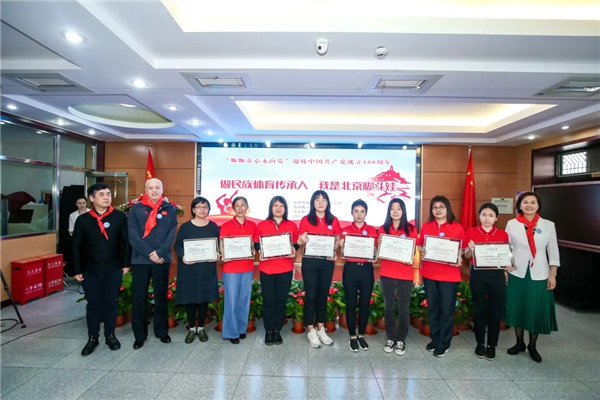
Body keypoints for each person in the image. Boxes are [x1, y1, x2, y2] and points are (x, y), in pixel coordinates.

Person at [72, 183, 129, 356]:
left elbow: (125, 242)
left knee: (111, 302)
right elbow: (76, 246)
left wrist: (126, 264)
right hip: (90, 269)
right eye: (102, 194)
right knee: (93, 304)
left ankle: (110, 335)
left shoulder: (119, 217)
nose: (106, 197)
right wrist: (77, 269)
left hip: (113, 267)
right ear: (92, 198)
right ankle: (92, 337)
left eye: (108, 194)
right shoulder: (83, 220)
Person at [505, 191, 559, 363]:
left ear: (538, 205)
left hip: (540, 273)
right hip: (517, 271)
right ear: (520, 205)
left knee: (535, 309)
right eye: (525, 202)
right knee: (518, 308)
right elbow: (507, 247)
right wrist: (505, 268)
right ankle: (519, 342)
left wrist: (553, 274)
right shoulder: (512, 224)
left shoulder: (548, 225)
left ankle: (532, 345)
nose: (529, 205)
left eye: (533, 202)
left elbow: (553, 251)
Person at [128, 178, 177, 350]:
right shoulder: (136, 209)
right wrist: (150, 254)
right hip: (141, 260)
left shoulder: (169, 208)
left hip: (161, 259)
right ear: (146, 190)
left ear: (162, 189)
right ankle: (139, 336)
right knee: (139, 297)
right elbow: (133, 235)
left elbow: (171, 233)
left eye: (157, 187)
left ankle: (162, 332)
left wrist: (160, 253)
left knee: (161, 296)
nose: (154, 190)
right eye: (151, 188)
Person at [417, 195, 465, 358]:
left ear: (447, 209)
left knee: (446, 309)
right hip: (429, 273)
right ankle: (435, 338)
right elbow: (420, 245)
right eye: (434, 207)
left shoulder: (457, 227)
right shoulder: (426, 226)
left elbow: (462, 249)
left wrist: (459, 256)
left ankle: (444, 342)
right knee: (433, 308)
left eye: (441, 207)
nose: (438, 210)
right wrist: (422, 250)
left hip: (449, 276)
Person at [463, 203, 509, 361]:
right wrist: (470, 249)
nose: (486, 218)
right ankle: (480, 343)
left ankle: (492, 345)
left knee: (496, 312)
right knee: (479, 310)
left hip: (497, 275)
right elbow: (467, 256)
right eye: (483, 215)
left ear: (496, 218)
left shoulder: (502, 234)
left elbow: (505, 257)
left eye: (490, 215)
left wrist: (506, 271)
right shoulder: (471, 232)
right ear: (479, 216)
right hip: (478, 275)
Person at [297, 190, 342, 348]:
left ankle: (321, 328)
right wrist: (301, 240)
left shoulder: (333, 220)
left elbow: (337, 240)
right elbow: (300, 240)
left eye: (323, 199)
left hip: (326, 263)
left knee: (323, 295)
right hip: (309, 262)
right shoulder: (306, 219)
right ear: (313, 203)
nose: (321, 202)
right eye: (317, 199)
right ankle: (310, 329)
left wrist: (334, 250)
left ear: (328, 202)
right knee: (311, 295)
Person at [173, 197, 220, 343]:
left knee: (204, 299)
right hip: (189, 268)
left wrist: (216, 254)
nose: (202, 210)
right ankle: (192, 328)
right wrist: (184, 255)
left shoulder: (213, 227)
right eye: (199, 207)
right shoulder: (185, 227)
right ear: (193, 209)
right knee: (190, 299)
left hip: (206, 269)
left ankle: (201, 327)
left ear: (208, 209)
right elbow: (177, 246)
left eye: (205, 207)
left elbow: (218, 246)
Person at [254, 196, 298, 345]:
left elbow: (295, 244)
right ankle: (268, 330)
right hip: (267, 269)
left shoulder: (291, 225)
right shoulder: (261, 225)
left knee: (281, 301)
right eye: (275, 205)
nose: (278, 208)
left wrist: (294, 249)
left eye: (281, 205)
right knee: (268, 301)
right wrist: (261, 250)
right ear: (271, 208)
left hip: (285, 269)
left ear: (285, 208)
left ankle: (277, 330)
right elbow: (256, 244)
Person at [377, 198, 418, 356]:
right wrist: (380, 245)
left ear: (403, 211)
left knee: (403, 309)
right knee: (388, 307)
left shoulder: (411, 229)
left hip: (405, 274)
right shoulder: (383, 229)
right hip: (387, 273)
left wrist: (408, 256)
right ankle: (390, 337)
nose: (395, 211)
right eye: (392, 208)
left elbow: (412, 252)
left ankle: (401, 339)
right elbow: (379, 252)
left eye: (398, 208)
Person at [339, 199, 377, 352]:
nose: (359, 214)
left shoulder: (373, 231)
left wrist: (374, 254)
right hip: (350, 269)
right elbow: (342, 252)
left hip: (366, 270)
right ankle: (352, 336)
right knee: (351, 303)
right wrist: (341, 246)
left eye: (362, 211)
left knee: (364, 304)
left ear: (366, 213)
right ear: (351, 213)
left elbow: (375, 251)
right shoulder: (345, 231)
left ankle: (361, 335)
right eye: (356, 211)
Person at [219, 196, 256, 344]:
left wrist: (253, 252)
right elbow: (222, 245)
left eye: (243, 205)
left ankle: (241, 329)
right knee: (231, 300)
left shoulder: (252, 225)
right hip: (231, 269)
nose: (240, 208)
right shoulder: (226, 225)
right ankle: (231, 332)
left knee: (244, 300)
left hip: (247, 267)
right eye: (237, 205)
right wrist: (223, 255)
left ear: (247, 207)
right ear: (233, 208)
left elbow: (253, 246)